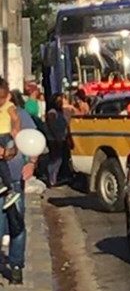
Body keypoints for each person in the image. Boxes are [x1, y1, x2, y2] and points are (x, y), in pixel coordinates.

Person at [0, 89, 39, 285]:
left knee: (16, 225)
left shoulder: (19, 114)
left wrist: (32, 162)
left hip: (15, 179)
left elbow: (33, 139)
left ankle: (16, 266)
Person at [0, 79, 21, 210]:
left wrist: (15, 130)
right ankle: (5, 185)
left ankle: (8, 187)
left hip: (5, 135)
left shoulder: (9, 106)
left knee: (2, 160)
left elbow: (16, 119)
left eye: (1, 98)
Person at [45, 93, 71, 187]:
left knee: (60, 159)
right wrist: (57, 138)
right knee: (55, 159)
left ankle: (55, 177)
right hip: (54, 139)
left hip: (62, 137)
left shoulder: (61, 112)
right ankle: (51, 178)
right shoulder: (52, 112)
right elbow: (52, 126)